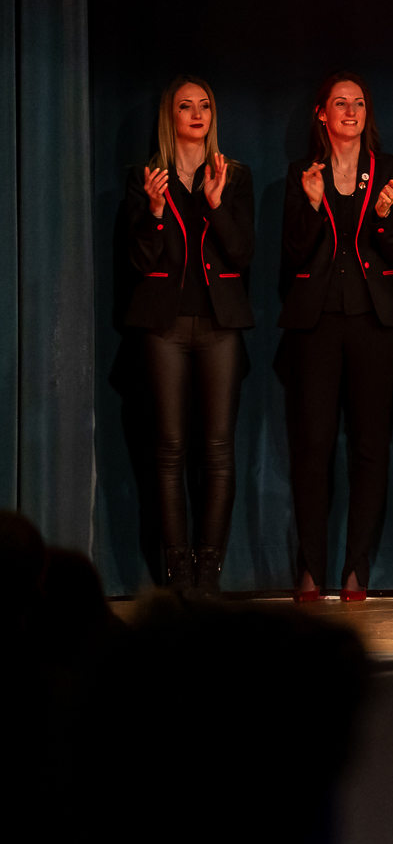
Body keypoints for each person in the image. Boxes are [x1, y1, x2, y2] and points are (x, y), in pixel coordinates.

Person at [278, 71, 393, 602]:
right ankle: (311, 567)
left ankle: (357, 568)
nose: (351, 111)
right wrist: (312, 205)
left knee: (370, 447)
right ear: (322, 114)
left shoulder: (389, 170)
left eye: (358, 103)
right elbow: (291, 253)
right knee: (314, 446)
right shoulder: (303, 172)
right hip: (316, 323)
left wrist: (382, 218)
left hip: (375, 322)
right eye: (340, 103)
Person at [122, 75, 253, 597]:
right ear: (169, 116)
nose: (197, 114)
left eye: (204, 106)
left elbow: (242, 253)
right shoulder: (146, 177)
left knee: (218, 451)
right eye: (186, 106)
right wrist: (155, 213)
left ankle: (207, 575)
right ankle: (178, 575)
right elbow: (139, 261)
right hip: (164, 327)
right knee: (169, 450)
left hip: (220, 325)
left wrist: (217, 205)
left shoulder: (232, 175)